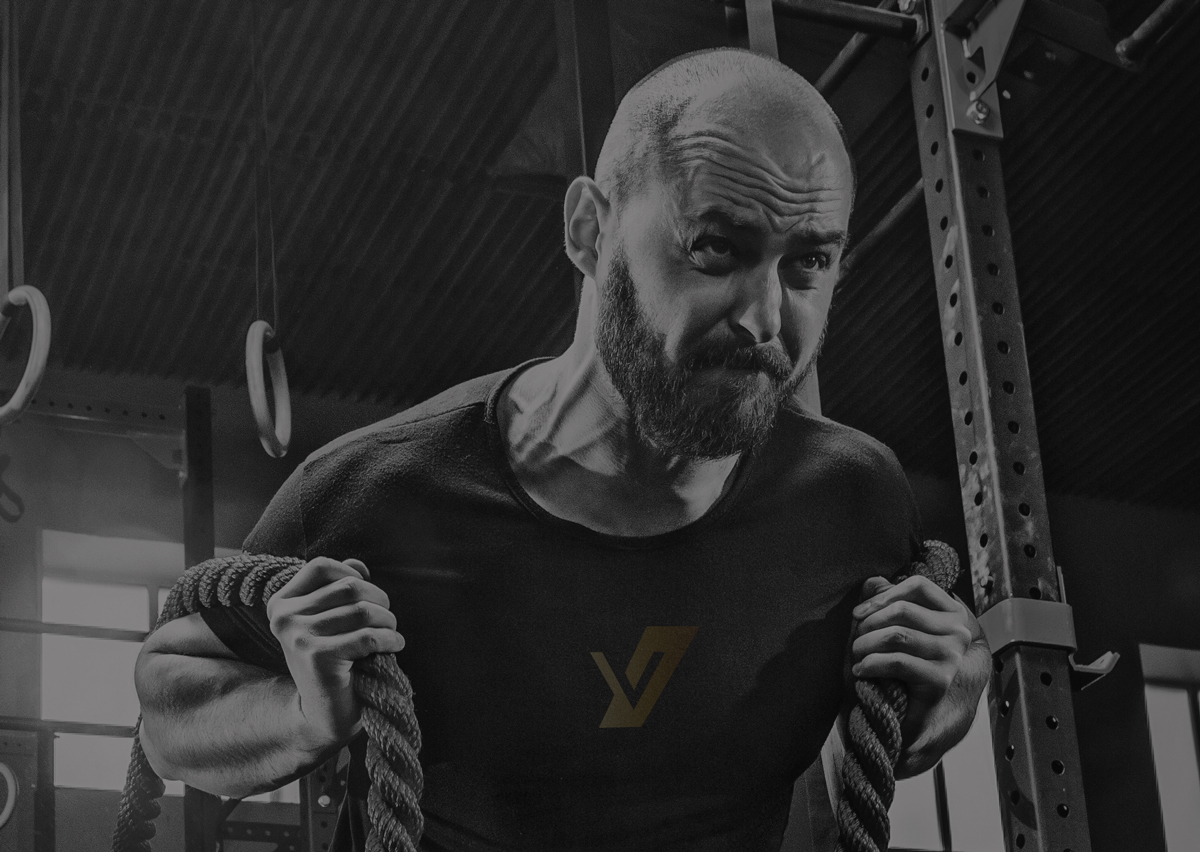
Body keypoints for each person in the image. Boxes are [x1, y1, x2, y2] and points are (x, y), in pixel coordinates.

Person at [134, 47, 990, 851]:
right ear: (589, 231)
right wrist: (301, 715)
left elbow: (871, 728)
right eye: (716, 248)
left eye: (808, 263)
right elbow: (171, 710)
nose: (766, 317)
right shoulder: (381, 494)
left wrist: (950, 685)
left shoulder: (848, 497)